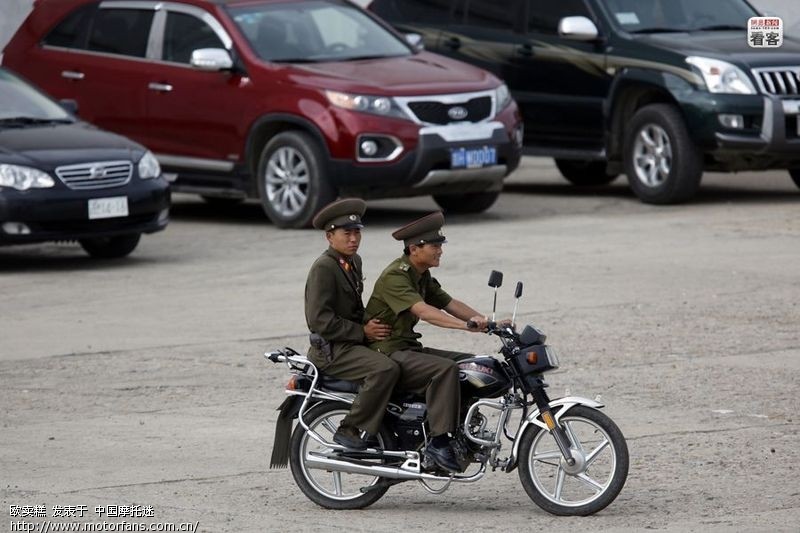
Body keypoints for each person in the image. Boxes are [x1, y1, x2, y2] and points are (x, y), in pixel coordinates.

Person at [365, 211, 489, 472]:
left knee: (473, 364)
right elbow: (424, 311)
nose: (440, 251)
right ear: (414, 249)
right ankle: (439, 441)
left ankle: (460, 430)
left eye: (440, 246)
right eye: (435, 246)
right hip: (387, 351)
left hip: (407, 347)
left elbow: (449, 303)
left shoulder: (420, 274)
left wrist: (487, 321)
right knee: (445, 370)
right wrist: (465, 327)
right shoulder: (395, 277)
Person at [304, 198, 399, 450]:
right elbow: (319, 319)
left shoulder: (352, 261)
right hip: (332, 349)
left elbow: (353, 308)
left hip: (349, 342)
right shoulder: (324, 267)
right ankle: (350, 428)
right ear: (329, 236)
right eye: (347, 233)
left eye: (357, 232)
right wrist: (362, 332)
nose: (353, 239)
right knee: (384, 369)